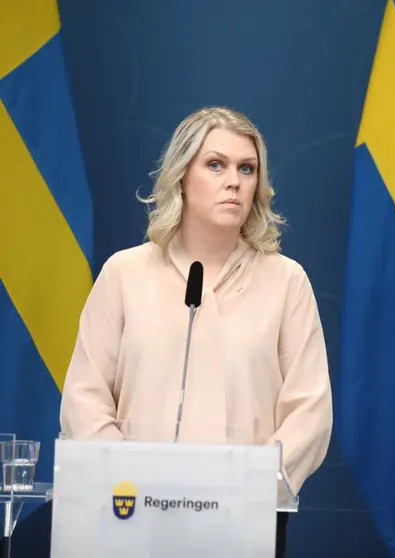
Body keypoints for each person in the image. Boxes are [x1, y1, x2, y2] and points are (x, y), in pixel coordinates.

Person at [59, 106, 333, 558]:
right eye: (216, 165)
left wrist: (252, 485)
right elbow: (84, 399)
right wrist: (129, 476)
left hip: (245, 519)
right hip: (129, 516)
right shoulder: (125, 273)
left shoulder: (287, 281)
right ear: (181, 176)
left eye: (247, 169)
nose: (235, 181)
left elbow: (311, 411)